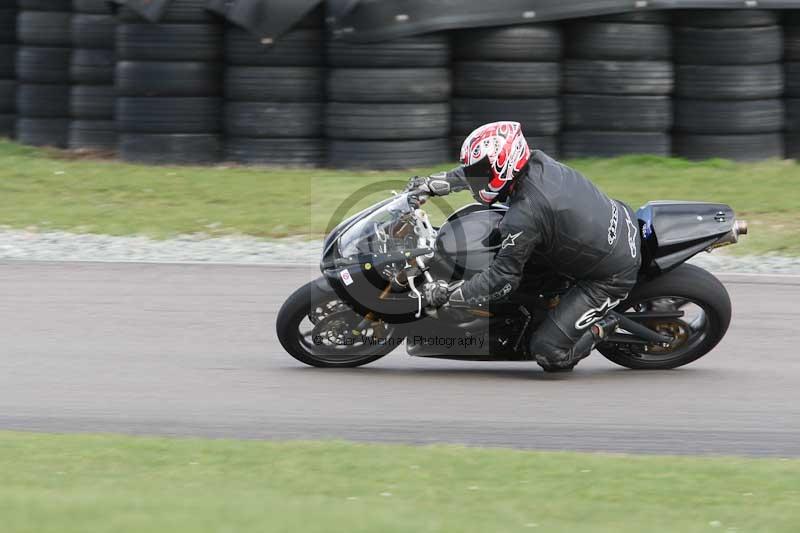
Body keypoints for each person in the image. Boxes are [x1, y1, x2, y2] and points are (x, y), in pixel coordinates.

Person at [410, 121, 641, 372]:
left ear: (504, 165)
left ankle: (603, 325)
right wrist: (431, 184)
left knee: (548, 352)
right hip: (613, 223)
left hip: (610, 274)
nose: (476, 178)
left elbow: (502, 279)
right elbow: (476, 175)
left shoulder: (525, 214)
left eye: (481, 171)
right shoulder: (535, 162)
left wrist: (452, 295)